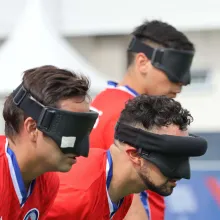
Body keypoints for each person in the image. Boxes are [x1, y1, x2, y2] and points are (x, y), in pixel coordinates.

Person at [90, 20, 195, 220]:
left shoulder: (104, 101)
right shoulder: (129, 115)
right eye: (175, 71)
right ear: (142, 62)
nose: (181, 83)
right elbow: (129, 198)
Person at [46, 95, 207, 220]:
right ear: (135, 155)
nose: (183, 173)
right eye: (172, 156)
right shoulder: (76, 196)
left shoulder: (121, 190)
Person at [0, 65, 98, 219]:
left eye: (83, 131)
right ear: (33, 128)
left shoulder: (47, 183)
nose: (82, 150)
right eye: (71, 130)